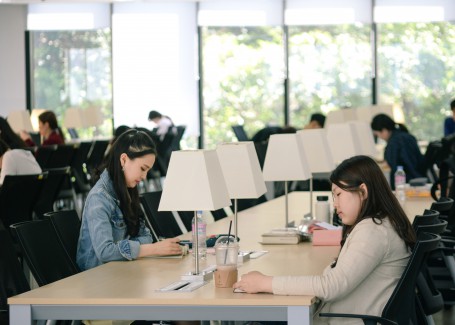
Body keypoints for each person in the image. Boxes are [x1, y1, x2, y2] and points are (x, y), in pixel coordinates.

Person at [233, 155, 416, 325]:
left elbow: (331, 286)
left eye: (338, 194)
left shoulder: (373, 230)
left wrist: (265, 282)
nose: (335, 204)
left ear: (363, 191)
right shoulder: (383, 223)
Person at [77, 129, 182, 272]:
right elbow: (105, 252)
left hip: (120, 269)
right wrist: (153, 249)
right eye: (142, 169)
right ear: (124, 160)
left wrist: (133, 248)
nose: (145, 176)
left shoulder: (128, 190)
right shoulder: (99, 197)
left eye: (147, 171)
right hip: (96, 276)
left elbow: (146, 237)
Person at [371, 113, 425, 189]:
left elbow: (392, 163)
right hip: (419, 179)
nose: (380, 137)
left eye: (378, 134)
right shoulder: (407, 136)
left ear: (384, 130)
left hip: (405, 184)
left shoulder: (394, 142)